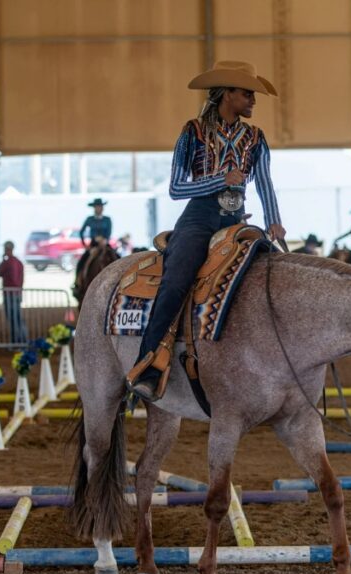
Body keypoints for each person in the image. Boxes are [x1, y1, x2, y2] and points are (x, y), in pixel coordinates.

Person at [129, 61, 286, 402]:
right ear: (227, 93)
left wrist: (274, 220)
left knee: (270, 276)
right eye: (247, 94)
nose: (253, 101)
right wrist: (220, 180)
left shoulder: (255, 138)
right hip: (199, 217)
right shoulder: (193, 132)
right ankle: (149, 362)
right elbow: (175, 188)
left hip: (236, 220)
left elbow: (265, 184)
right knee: (177, 278)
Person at [0, 241, 27, 344]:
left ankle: (16, 341)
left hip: (9, 295)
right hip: (17, 294)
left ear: (7, 249)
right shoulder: (19, 263)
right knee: (18, 318)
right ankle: (23, 339)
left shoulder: (7, 262)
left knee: (13, 319)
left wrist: (3, 260)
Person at [77, 198, 114, 272]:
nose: (99, 208)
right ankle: (78, 281)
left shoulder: (107, 219)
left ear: (102, 208)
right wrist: (85, 245)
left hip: (105, 244)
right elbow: (81, 232)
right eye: (97, 207)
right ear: (94, 208)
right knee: (82, 261)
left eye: (100, 206)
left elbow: (109, 232)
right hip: (93, 244)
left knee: (115, 257)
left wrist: (105, 239)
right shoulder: (89, 219)